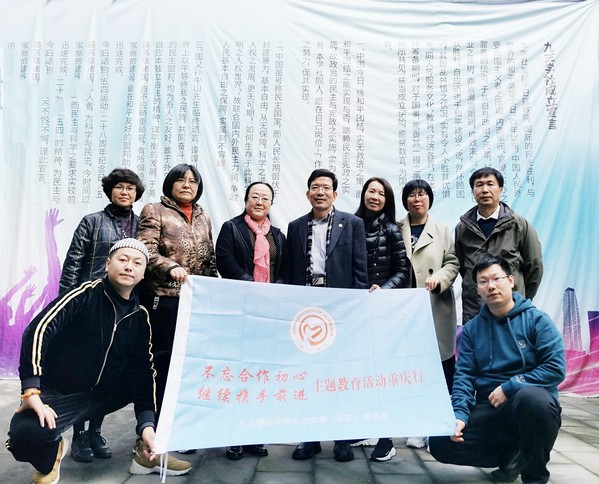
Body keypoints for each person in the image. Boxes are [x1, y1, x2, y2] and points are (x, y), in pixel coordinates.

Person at [5, 239, 192, 484]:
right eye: (122, 259)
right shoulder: (84, 294)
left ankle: (147, 448)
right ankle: (53, 453)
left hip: (106, 392)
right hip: (62, 393)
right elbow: (39, 328)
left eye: (137, 263)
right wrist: (31, 390)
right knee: (23, 438)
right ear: (107, 264)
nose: (129, 266)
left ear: (143, 273)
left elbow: (142, 372)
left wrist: (146, 423)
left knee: (162, 363)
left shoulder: (139, 315)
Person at [429, 254, 565, 484]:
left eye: (496, 278)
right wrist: (459, 415)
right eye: (483, 281)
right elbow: (464, 377)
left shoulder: (537, 320)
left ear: (511, 281)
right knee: (440, 440)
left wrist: (510, 387)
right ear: (477, 289)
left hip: (527, 402)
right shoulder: (472, 329)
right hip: (490, 405)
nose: (491, 286)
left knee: (535, 402)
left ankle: (535, 475)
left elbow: (555, 368)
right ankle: (513, 454)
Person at [58, 167, 145, 463]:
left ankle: (96, 430)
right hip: (91, 305)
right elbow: (73, 263)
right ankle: (79, 435)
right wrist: (67, 305)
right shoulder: (92, 221)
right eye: (119, 187)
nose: (125, 192)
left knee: (111, 371)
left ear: (136, 193)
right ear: (110, 190)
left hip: (124, 308)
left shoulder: (141, 225)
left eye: (130, 188)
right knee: (84, 371)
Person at [282, 168, 368, 463]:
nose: (320, 192)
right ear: (308, 193)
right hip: (306, 309)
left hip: (340, 308)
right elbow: (288, 269)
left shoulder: (352, 224)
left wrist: (355, 308)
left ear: (335, 194)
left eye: (325, 187)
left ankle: (342, 438)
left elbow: (360, 269)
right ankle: (311, 437)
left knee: (339, 374)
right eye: (315, 187)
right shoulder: (295, 226)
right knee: (309, 374)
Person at [137, 163, 217, 438]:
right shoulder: (155, 210)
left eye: (193, 181)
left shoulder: (203, 216)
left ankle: (186, 422)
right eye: (181, 180)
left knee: (192, 364)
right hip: (165, 299)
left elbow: (209, 259)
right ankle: (158, 427)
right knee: (164, 363)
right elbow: (145, 249)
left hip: (196, 302)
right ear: (170, 183)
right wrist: (170, 267)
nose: (187, 185)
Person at [216, 181, 286, 460]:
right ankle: (233, 436)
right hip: (239, 310)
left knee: (261, 375)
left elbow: (286, 268)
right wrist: (251, 285)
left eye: (265, 198)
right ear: (245, 200)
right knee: (238, 372)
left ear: (271, 204)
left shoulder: (278, 235)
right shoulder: (231, 228)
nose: (259, 201)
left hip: (268, 314)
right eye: (254, 196)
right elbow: (224, 261)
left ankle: (255, 434)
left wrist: (275, 289)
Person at [399, 179, 460, 449]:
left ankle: (431, 424)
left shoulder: (442, 230)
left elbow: (453, 262)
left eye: (422, 194)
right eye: (412, 195)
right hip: (402, 309)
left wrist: (441, 279)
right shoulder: (396, 228)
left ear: (429, 199)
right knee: (407, 366)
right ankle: (410, 420)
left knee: (439, 364)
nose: (417, 199)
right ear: (405, 200)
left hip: (435, 305)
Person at [355, 176, 411, 462]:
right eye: (371, 191)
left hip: (382, 310)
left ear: (387, 200)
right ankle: (365, 428)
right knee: (359, 373)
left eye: (381, 193)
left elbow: (402, 270)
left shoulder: (391, 229)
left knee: (383, 374)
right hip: (355, 311)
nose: (374, 196)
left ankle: (387, 439)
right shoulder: (351, 224)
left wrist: (383, 290)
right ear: (363, 194)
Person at [455, 167, 543, 324]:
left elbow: (534, 266)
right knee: (476, 340)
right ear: (473, 191)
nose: (485, 190)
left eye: (490, 184)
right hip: (474, 309)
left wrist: (520, 297)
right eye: (479, 185)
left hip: (512, 307)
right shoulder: (462, 228)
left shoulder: (519, 224)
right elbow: (463, 267)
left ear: (500, 189)